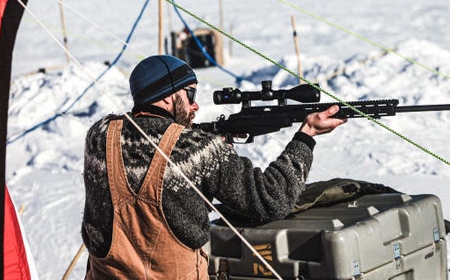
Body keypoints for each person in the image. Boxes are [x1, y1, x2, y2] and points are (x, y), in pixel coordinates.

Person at [81, 55, 346, 279]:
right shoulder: (199, 149)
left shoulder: (100, 135)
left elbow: (146, 147)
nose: (195, 104)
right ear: (167, 96)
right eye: (190, 93)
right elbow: (271, 199)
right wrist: (306, 134)